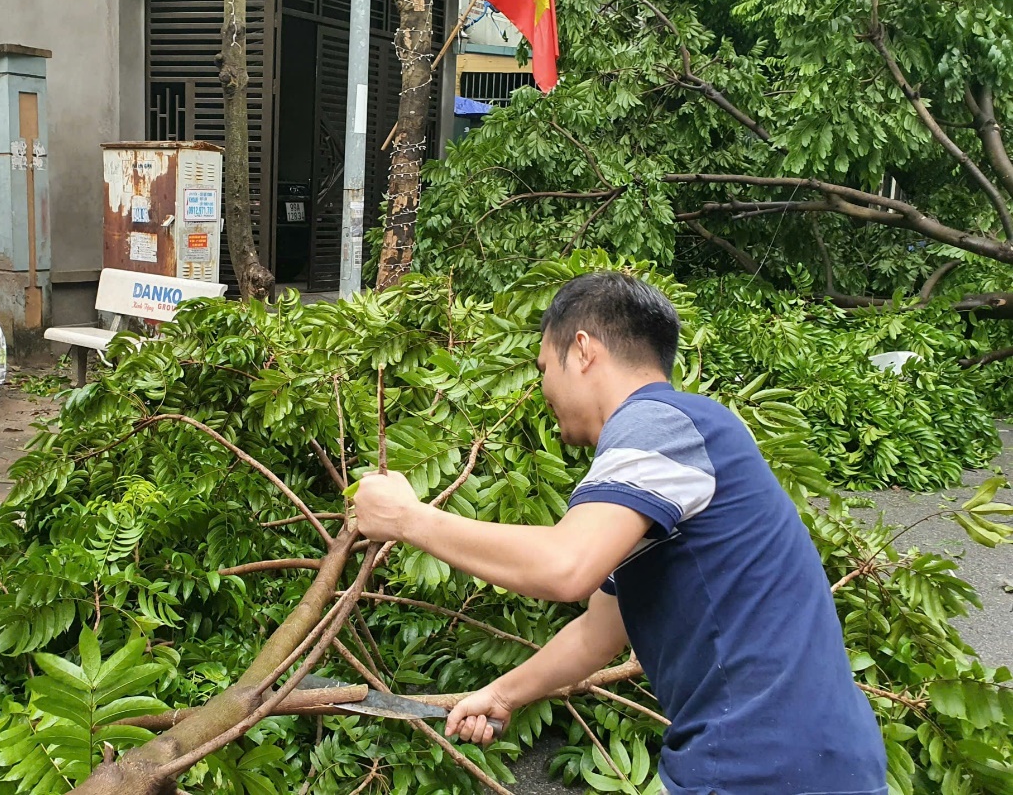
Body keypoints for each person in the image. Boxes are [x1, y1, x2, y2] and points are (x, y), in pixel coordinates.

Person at [354, 272, 888, 794]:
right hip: (810, 759)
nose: (543, 388)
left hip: (759, 764)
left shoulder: (658, 422)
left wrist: (407, 518)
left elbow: (564, 567)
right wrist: (502, 694)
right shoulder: (674, 452)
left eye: (544, 367)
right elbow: (599, 631)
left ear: (583, 350)